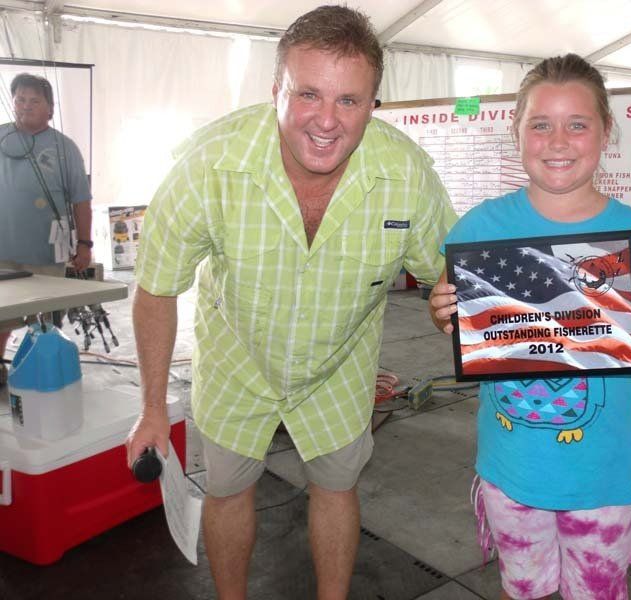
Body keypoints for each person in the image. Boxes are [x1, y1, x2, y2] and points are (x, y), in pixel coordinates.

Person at [125, 5, 455, 599]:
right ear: (275, 90)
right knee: (227, 490)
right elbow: (156, 285)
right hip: (237, 360)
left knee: (337, 485)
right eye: (308, 94)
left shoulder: (407, 176)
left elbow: (447, 281)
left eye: (350, 101)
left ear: (373, 105)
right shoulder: (208, 167)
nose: (327, 121)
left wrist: (477, 320)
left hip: (340, 367)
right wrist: (152, 406)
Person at [428, 54, 631, 600]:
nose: (558, 140)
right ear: (517, 132)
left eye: (578, 124)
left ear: (605, 133)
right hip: (510, 468)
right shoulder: (480, 225)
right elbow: (454, 317)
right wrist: (442, 310)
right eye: (540, 124)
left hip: (604, 472)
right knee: (522, 589)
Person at [0, 73, 93, 387]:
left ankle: (45, 370)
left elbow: (82, 200)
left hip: (45, 252)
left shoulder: (65, 148)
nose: (25, 106)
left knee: (47, 318)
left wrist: (84, 244)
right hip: (3, 251)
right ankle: (1, 368)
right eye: (20, 99)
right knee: (1, 319)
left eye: (34, 101)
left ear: (50, 109)